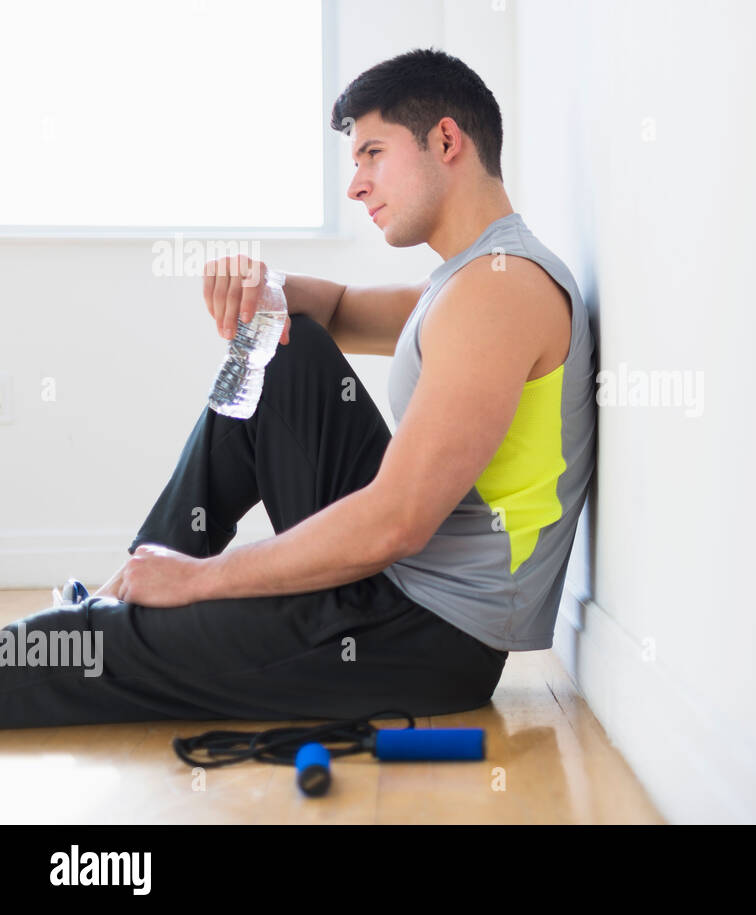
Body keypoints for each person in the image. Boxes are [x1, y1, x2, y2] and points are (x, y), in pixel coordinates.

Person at [0, 48, 596, 729]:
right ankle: (133, 583)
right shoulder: (470, 279)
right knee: (288, 343)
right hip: (398, 595)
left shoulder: (498, 291)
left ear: (447, 140)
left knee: (96, 654)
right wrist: (265, 284)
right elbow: (335, 308)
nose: (357, 185)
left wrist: (199, 583)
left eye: (373, 153)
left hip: (422, 635)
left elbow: (398, 521)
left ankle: (133, 602)